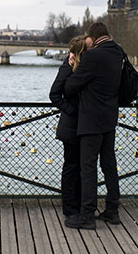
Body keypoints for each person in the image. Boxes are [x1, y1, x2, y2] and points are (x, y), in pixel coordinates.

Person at [63, 22, 124, 229]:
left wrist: (73, 66)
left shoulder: (93, 56)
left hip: (90, 120)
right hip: (110, 118)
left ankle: (87, 215)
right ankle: (112, 210)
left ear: (93, 37)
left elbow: (70, 87)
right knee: (109, 166)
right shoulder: (118, 52)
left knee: (87, 168)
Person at [48, 36, 87, 219]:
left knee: (81, 167)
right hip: (71, 127)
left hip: (84, 125)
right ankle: (70, 208)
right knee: (72, 168)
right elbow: (54, 94)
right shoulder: (67, 68)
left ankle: (79, 205)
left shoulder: (83, 68)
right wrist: (72, 111)